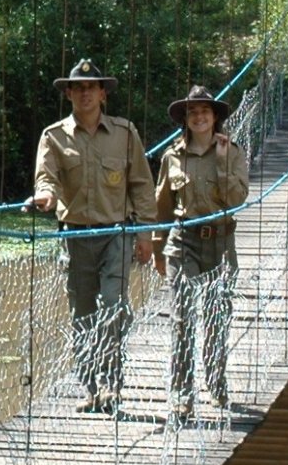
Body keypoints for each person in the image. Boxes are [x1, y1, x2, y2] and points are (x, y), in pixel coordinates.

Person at [24, 60, 158, 413]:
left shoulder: (125, 133)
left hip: (117, 233)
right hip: (75, 237)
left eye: (91, 87)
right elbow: (47, 179)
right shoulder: (53, 136)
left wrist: (146, 233)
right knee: (82, 314)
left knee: (114, 306)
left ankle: (113, 385)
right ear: (68, 93)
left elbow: (142, 185)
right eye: (78, 87)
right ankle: (90, 387)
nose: (85, 93)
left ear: (103, 94)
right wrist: (45, 197)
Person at [155, 84, 249, 421]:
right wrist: (156, 250)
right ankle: (182, 394)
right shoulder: (171, 157)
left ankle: (216, 382)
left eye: (204, 111)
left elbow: (237, 199)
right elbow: (162, 207)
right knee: (183, 319)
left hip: (221, 244)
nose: (198, 116)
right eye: (192, 112)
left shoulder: (233, 152)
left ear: (215, 118)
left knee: (217, 317)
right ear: (185, 118)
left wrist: (222, 164)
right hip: (183, 242)